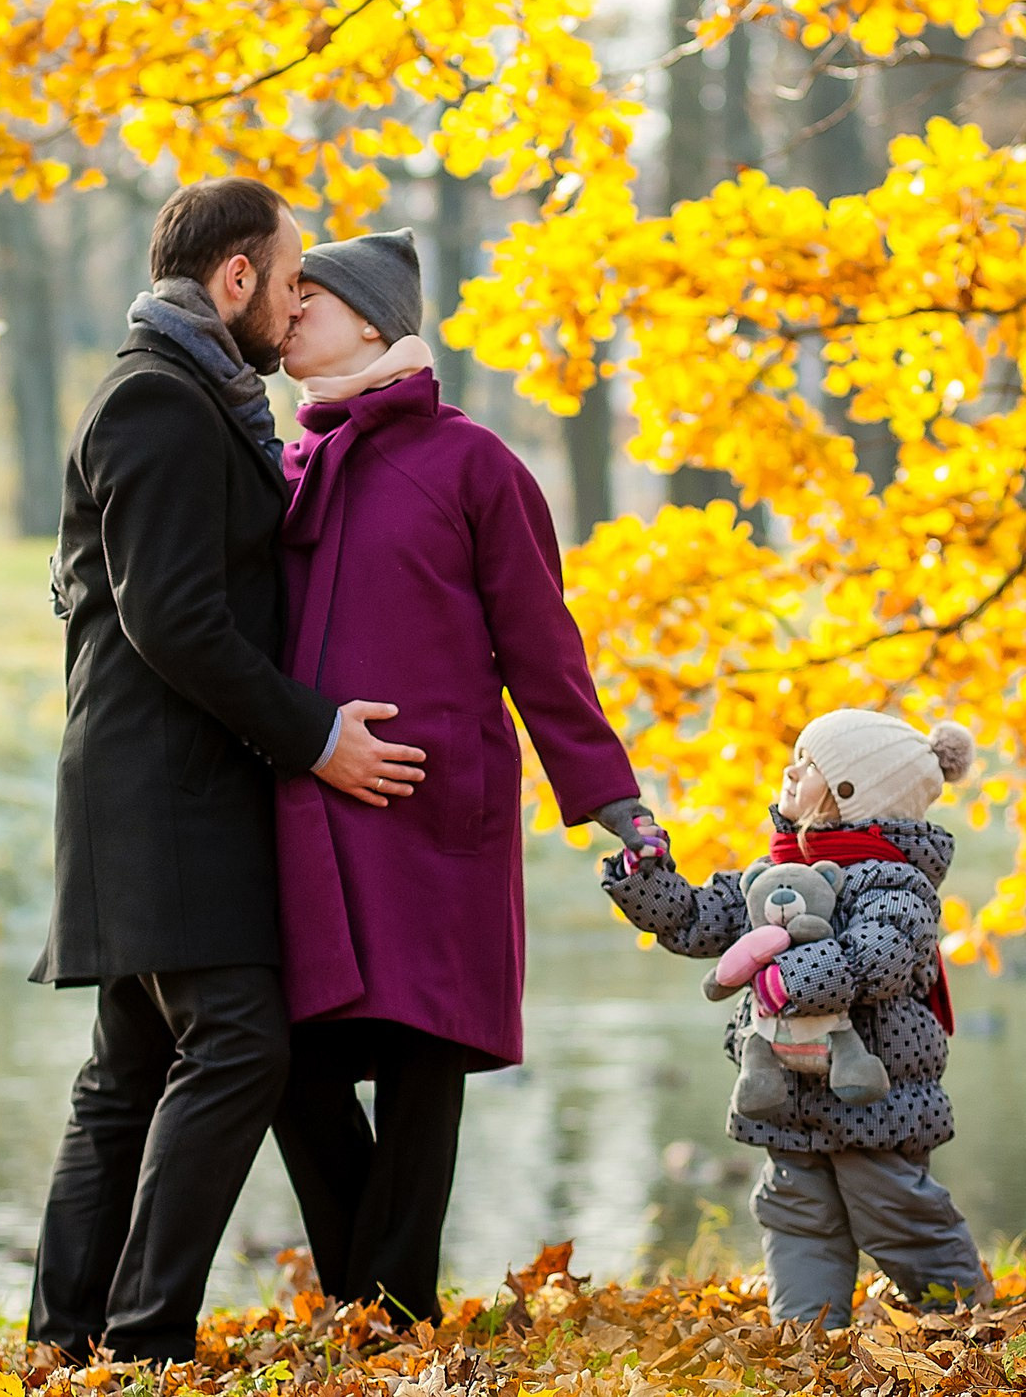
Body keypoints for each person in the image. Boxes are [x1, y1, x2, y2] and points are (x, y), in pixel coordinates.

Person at [29, 179, 429, 1364]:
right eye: (291, 274)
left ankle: (70, 1338)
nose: (300, 296)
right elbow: (173, 617)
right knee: (242, 1040)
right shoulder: (155, 400)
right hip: (159, 793)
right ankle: (142, 1336)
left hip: (172, 788)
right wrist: (316, 735)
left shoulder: (192, 394)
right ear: (237, 277)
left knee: (129, 1071)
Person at [267, 227, 655, 1325]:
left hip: (438, 812)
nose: (290, 312)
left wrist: (605, 792)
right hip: (309, 809)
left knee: (419, 1055)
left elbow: (542, 641)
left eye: (314, 299)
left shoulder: (472, 460)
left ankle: (388, 1313)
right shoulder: (282, 464)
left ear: (377, 321)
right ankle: (369, 1301)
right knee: (286, 1054)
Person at [599, 709, 991, 1322]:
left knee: (896, 1214)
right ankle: (807, 1341)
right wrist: (646, 878)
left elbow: (878, 956)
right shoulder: (774, 872)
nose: (791, 769)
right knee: (796, 1218)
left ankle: (967, 1317)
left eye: (810, 765)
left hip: (874, 1099)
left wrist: (792, 982)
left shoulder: (895, 883)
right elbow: (699, 919)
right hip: (788, 1096)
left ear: (851, 796)